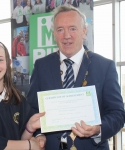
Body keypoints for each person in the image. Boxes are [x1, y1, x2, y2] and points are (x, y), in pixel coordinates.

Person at [26, 4, 125, 150]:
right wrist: (39, 134)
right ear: (54, 34)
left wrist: (98, 129)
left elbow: (117, 114)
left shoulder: (105, 66)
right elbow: (32, 109)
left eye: (73, 28)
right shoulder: (41, 66)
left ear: (84, 31)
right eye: (60, 30)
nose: (66, 35)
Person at [0, 40, 46, 150]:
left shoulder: (18, 100)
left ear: (8, 63)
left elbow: (21, 139)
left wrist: (29, 128)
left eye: (0, 60)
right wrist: (31, 145)